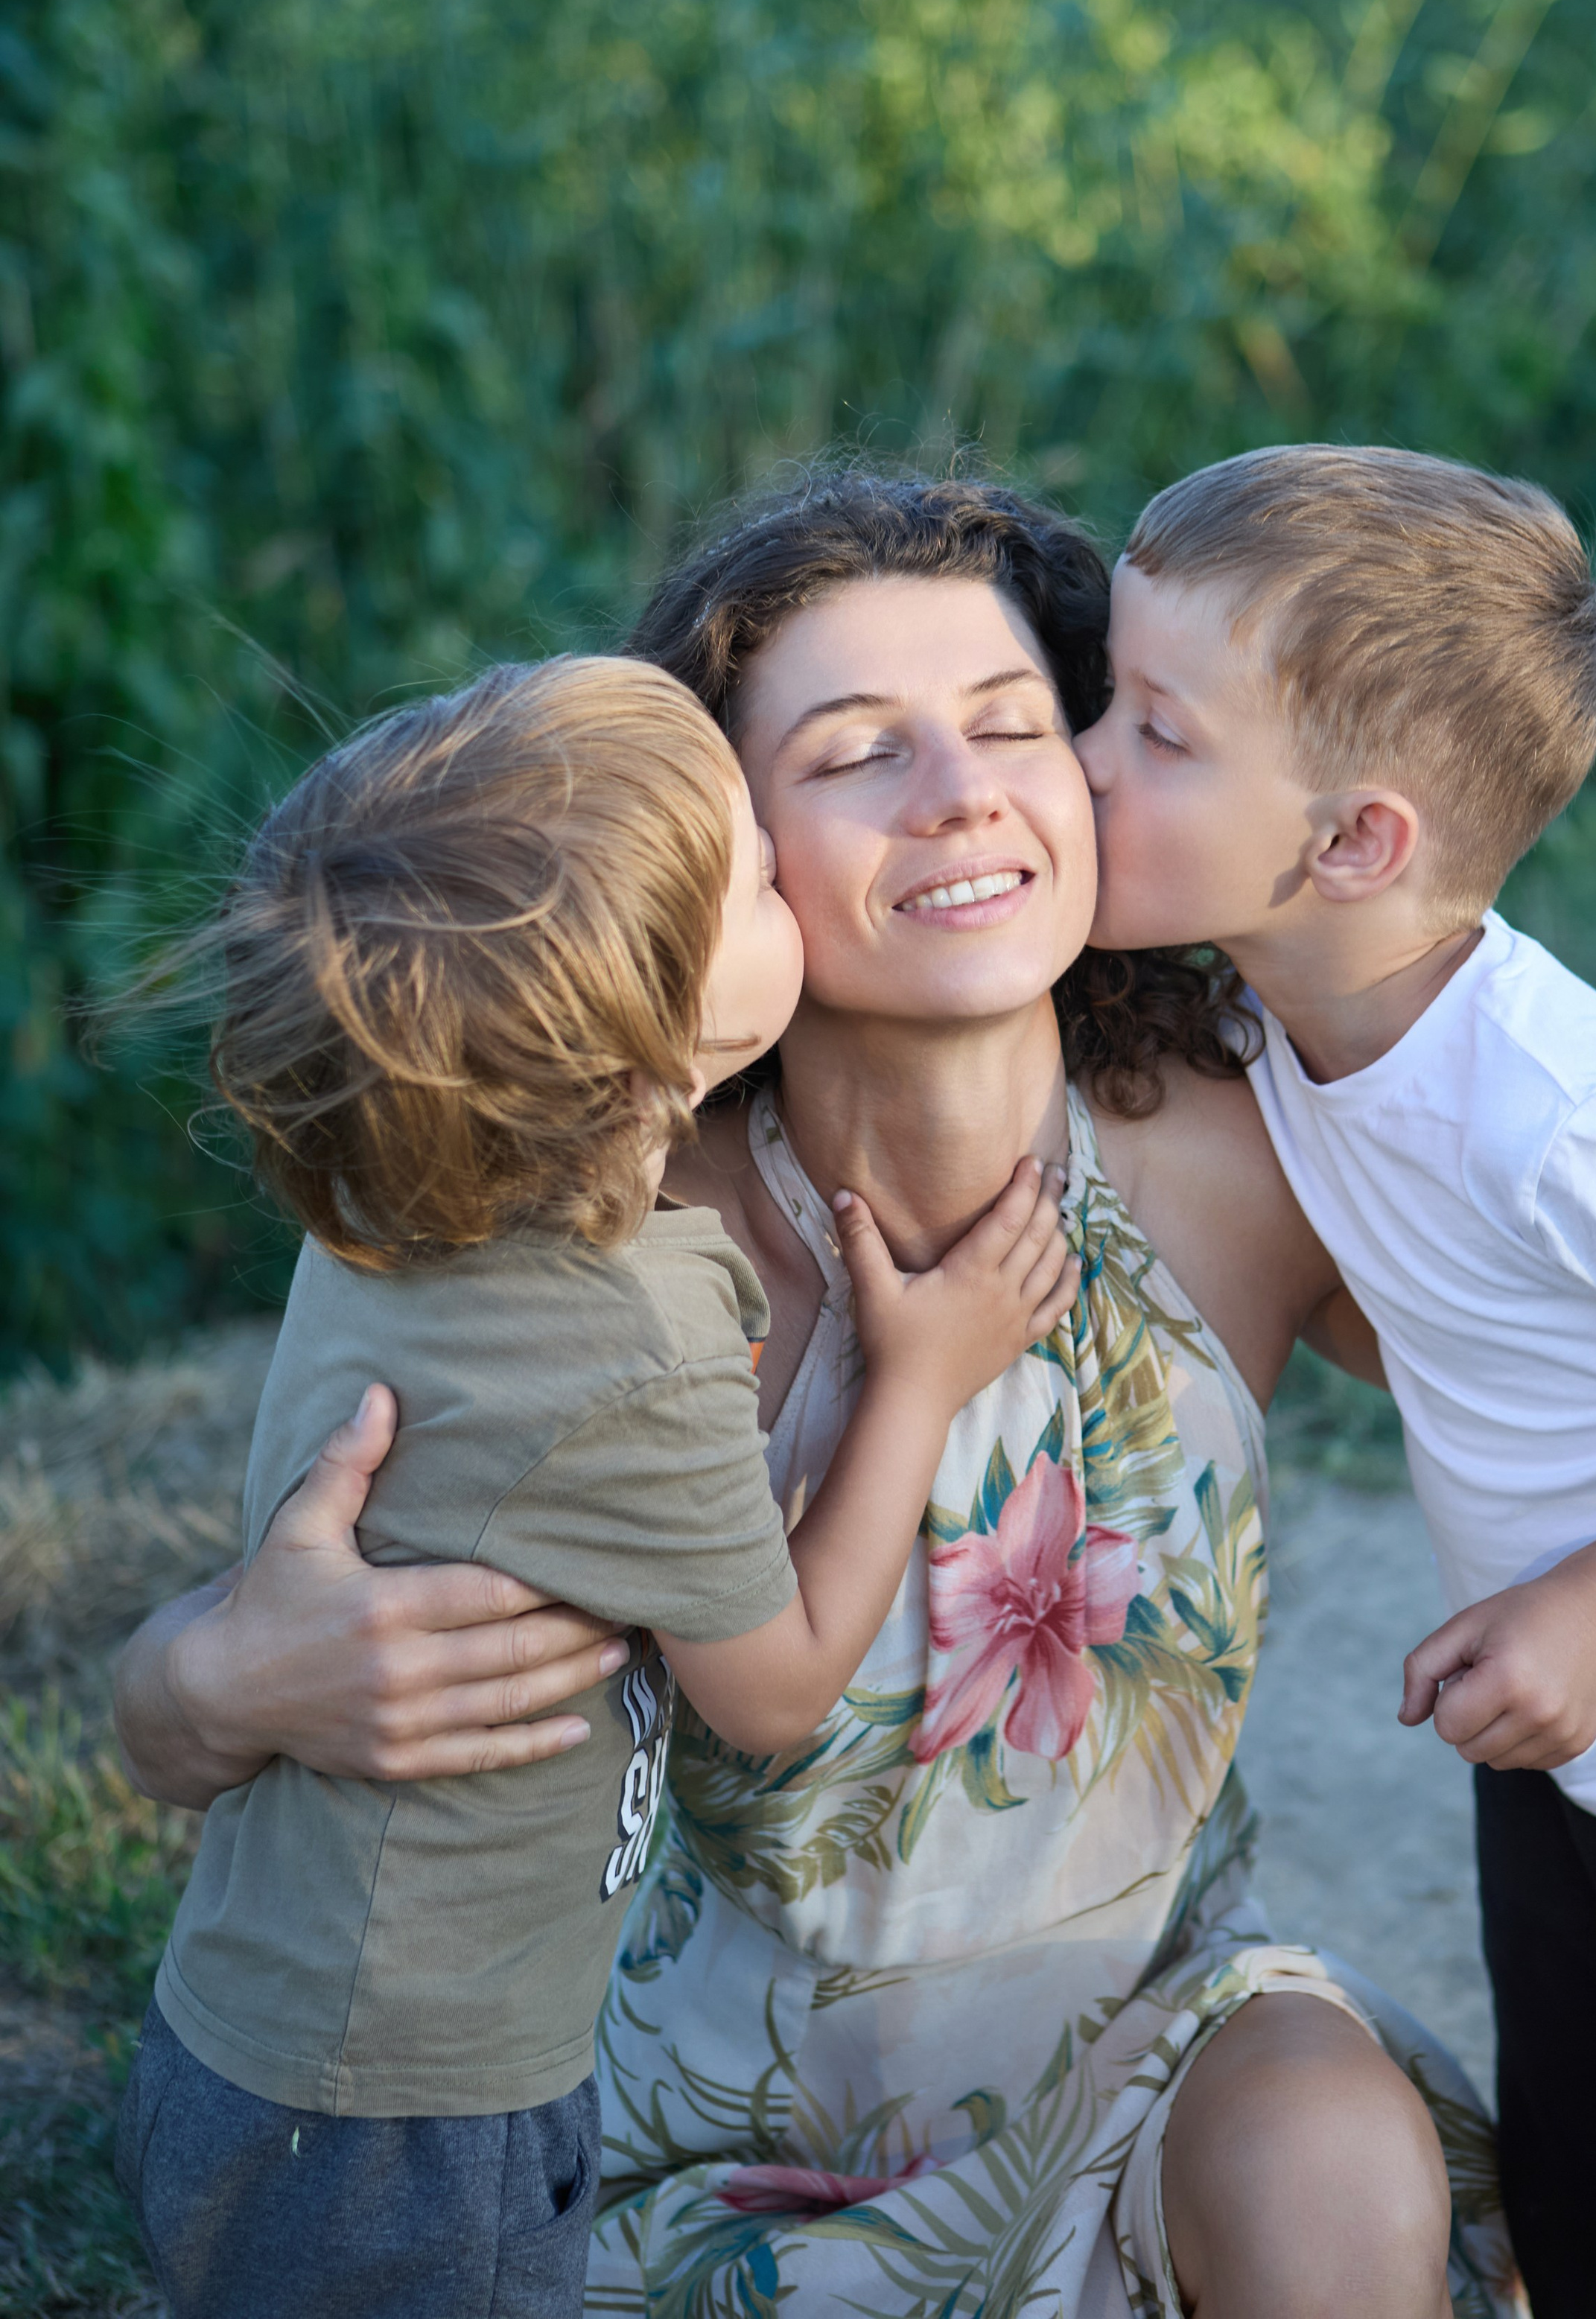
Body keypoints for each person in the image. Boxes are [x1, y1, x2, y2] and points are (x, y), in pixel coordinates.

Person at [113, 472, 1596, 2319]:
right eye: (850, 754)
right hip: (624, 2126)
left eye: (1007, 725)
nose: (958, 791)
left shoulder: (1249, 1166)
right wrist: (211, 1677)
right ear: (705, 854)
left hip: (1135, 2071)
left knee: (1327, 2157)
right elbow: (179, 1741)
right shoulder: (565, 1226)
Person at [114, 652, 1075, 2319]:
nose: (790, 871)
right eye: (761, 881)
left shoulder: (383, 1204)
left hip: (240, 2038)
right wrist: (918, 1380)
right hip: (416, 2112)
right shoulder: (623, 1331)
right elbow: (769, 1690)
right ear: (644, 1026)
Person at [1079, 442, 1596, 2319]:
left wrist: (1590, 1609)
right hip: (1567, 1734)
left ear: (1353, 841)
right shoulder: (1274, 1012)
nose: (1084, 762)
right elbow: (1432, 1303)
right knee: (1586, 2201)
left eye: (1153, 730)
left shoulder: (1565, 1112)